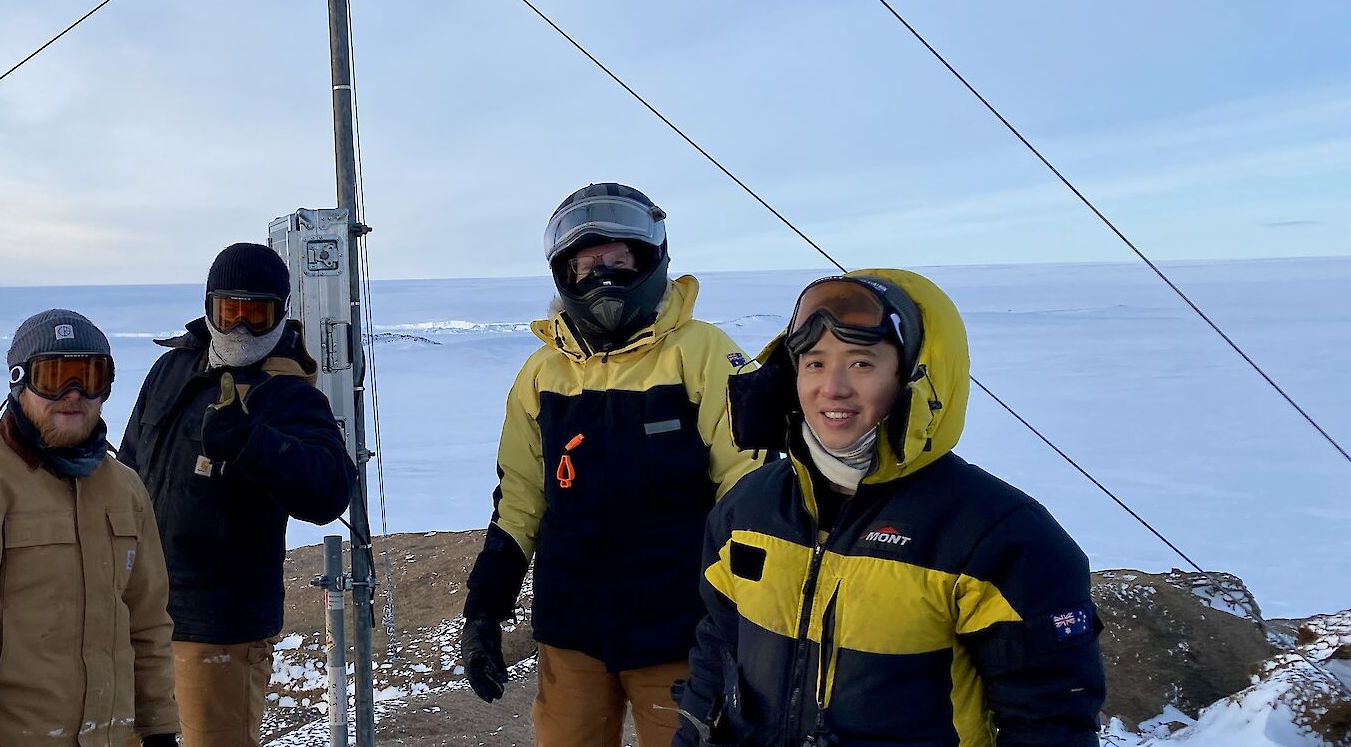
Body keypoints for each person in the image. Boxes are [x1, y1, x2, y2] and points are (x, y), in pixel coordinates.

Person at [672, 270, 1106, 746]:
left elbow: (1048, 721)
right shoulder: (747, 511)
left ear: (913, 377)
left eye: (861, 364)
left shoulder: (997, 536)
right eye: (814, 363)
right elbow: (715, 656)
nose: (832, 388)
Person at [459, 182, 765, 747]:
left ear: (649, 260)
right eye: (586, 264)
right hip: (572, 630)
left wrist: (744, 621)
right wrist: (485, 611)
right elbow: (520, 501)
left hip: (681, 631)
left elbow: (750, 489)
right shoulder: (541, 374)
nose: (601, 277)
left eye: (617, 261)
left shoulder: (704, 354)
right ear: (564, 274)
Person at [0, 309, 178, 747]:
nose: (73, 394)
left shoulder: (124, 489)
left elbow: (147, 622)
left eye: (89, 376)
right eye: (54, 377)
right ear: (19, 383)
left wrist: (158, 728)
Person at [118, 242, 355, 747]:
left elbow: (330, 489)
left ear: (279, 314)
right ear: (210, 309)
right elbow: (128, 468)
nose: (242, 329)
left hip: (220, 628)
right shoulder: (171, 371)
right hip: (141, 615)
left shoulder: (287, 394)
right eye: (231, 312)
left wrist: (254, 442)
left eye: (257, 313)